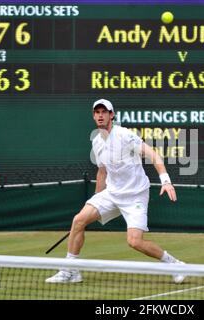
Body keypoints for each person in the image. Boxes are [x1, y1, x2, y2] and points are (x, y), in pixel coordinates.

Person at [46, 99, 185, 284]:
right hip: (111, 194)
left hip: (135, 195)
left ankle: (174, 264)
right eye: (97, 112)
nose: (100, 115)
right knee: (79, 220)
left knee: (134, 241)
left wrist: (166, 181)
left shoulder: (125, 135)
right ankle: (71, 271)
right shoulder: (96, 141)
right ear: (94, 116)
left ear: (112, 115)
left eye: (104, 111)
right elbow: (102, 171)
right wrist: (96, 198)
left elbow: (153, 154)